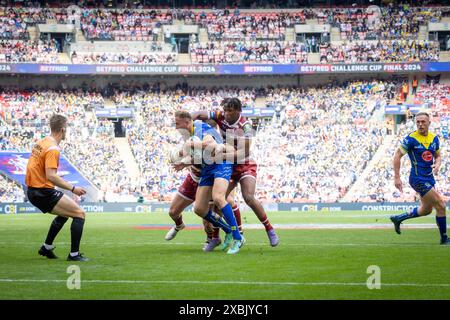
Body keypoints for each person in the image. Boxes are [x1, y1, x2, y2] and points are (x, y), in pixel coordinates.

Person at [191, 97, 279, 247]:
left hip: (244, 163)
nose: (226, 114)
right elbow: (199, 114)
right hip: (228, 164)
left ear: (238, 111)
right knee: (219, 200)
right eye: (225, 110)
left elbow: (242, 153)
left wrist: (220, 154)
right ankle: (216, 237)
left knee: (249, 197)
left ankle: (269, 229)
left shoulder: (246, 127)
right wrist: (190, 124)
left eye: (230, 111)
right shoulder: (220, 115)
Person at [174, 111, 244, 254]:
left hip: (221, 163)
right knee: (199, 208)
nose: (176, 127)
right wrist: (184, 162)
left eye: (177, 123)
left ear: (186, 122)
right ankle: (227, 230)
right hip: (208, 167)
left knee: (219, 198)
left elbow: (210, 143)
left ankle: (238, 237)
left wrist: (193, 144)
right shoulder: (189, 135)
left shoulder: (200, 127)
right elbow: (201, 154)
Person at [25, 114, 90, 261]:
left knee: (65, 213)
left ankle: (46, 248)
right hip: (42, 191)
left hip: (34, 189)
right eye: (66, 129)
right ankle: (74, 255)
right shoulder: (53, 148)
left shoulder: (41, 142)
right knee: (79, 214)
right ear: (62, 129)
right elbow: (51, 176)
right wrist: (73, 189)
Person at [390, 111, 449, 245]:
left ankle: (399, 218)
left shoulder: (434, 138)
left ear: (429, 123)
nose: (420, 125)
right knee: (440, 205)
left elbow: (438, 155)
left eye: (423, 122)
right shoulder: (411, 139)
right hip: (417, 178)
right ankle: (444, 238)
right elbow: (397, 155)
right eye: (418, 122)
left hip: (429, 178)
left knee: (426, 210)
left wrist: (438, 164)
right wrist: (397, 177)